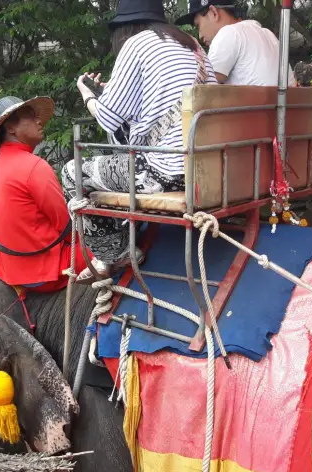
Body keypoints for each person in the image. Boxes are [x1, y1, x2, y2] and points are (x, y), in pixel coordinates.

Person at [63, 0, 217, 283]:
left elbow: (109, 120)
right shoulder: (192, 44)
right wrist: (112, 90)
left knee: (72, 173)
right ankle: (113, 247)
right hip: (207, 167)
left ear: (125, 28)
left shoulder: (136, 44)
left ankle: (115, 252)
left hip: (166, 174)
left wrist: (88, 94)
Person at [0, 95, 84, 293]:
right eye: (30, 116)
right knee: (111, 251)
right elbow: (66, 228)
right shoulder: (34, 166)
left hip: (9, 268)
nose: (38, 120)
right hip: (40, 271)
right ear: (10, 128)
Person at [175, 1, 295, 87]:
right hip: (286, 118)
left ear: (213, 12)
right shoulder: (268, 35)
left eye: (198, 25)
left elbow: (204, 90)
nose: (200, 35)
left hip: (254, 119)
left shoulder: (228, 33)